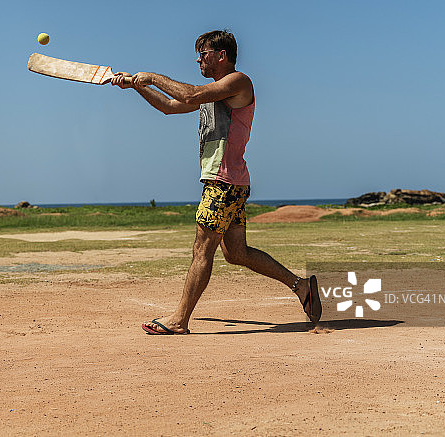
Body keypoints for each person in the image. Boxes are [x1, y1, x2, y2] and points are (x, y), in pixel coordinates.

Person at [110, 30, 321, 334]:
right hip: (228, 182)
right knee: (237, 254)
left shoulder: (238, 82)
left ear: (222, 56)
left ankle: (179, 320)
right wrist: (134, 86)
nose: (198, 59)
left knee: (201, 250)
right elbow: (171, 107)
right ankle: (302, 287)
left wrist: (151, 76)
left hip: (224, 183)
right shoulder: (214, 92)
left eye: (204, 54)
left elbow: (189, 95)